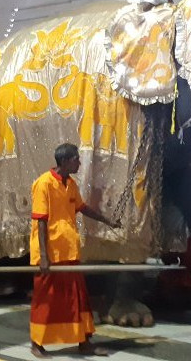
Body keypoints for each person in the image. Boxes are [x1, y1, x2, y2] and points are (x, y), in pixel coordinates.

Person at [29, 143, 120, 358]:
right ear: (65, 161)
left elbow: (83, 208)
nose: (79, 162)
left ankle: (84, 342)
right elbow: (40, 222)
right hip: (50, 254)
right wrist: (43, 256)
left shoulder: (71, 184)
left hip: (69, 251)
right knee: (46, 300)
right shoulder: (43, 184)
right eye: (76, 159)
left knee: (77, 299)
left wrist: (107, 221)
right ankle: (36, 344)